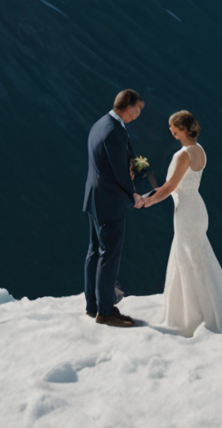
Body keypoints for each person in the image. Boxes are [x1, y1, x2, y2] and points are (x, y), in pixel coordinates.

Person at [137, 110, 222, 336]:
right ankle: (208, 308)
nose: (170, 130)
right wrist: (152, 193)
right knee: (198, 257)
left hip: (186, 212)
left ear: (183, 128)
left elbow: (171, 187)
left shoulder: (182, 155)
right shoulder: (199, 150)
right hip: (197, 208)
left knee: (188, 258)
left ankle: (194, 314)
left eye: (173, 127)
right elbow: (174, 185)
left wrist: (148, 201)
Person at [82, 88, 147, 327]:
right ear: (129, 107)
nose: (139, 114)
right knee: (109, 255)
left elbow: (107, 162)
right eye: (138, 109)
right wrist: (134, 195)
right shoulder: (115, 132)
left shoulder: (101, 123)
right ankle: (106, 311)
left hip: (93, 197)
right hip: (108, 201)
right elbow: (120, 171)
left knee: (94, 252)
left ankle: (93, 305)